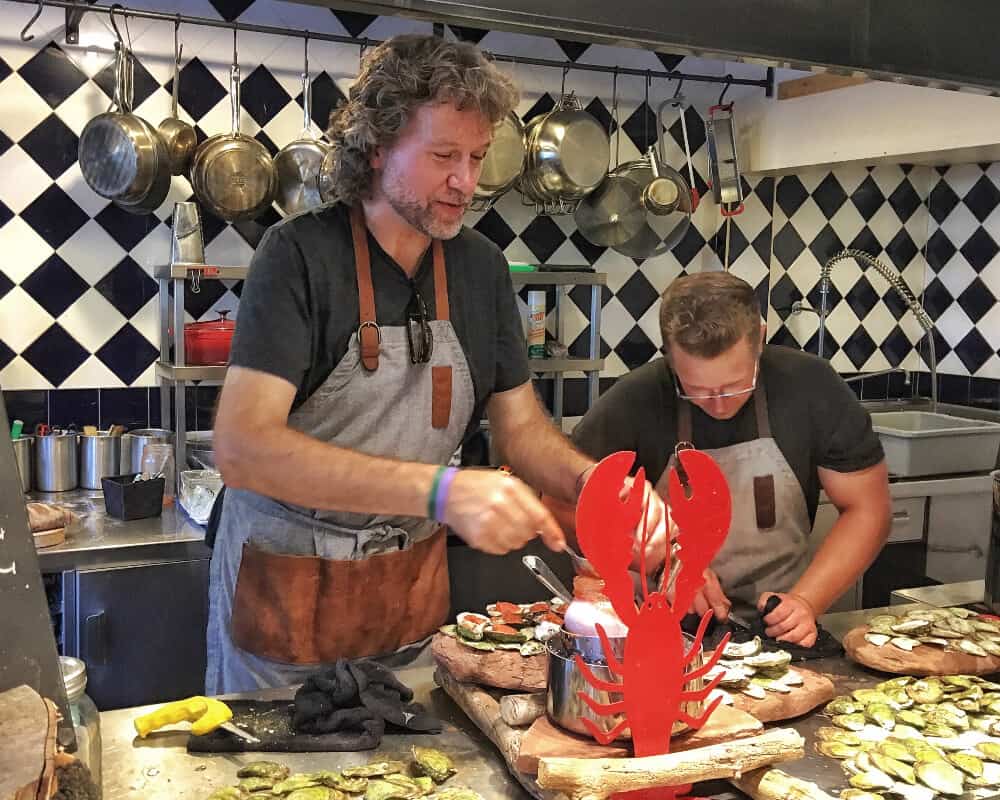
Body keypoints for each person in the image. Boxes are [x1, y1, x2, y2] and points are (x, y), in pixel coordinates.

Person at [204, 34, 664, 694]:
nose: (466, 181)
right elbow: (243, 448)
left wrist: (593, 486)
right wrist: (440, 491)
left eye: (477, 157)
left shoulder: (479, 268)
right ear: (378, 146)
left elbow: (521, 430)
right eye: (444, 155)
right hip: (284, 601)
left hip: (406, 602)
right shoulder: (299, 256)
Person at [555, 272, 892, 647]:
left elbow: (868, 509)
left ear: (760, 338)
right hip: (663, 632)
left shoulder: (810, 387)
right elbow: (561, 509)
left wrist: (806, 602)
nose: (718, 404)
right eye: (696, 390)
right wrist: (667, 563)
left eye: (735, 385)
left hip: (778, 632)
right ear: (669, 356)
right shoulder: (635, 400)